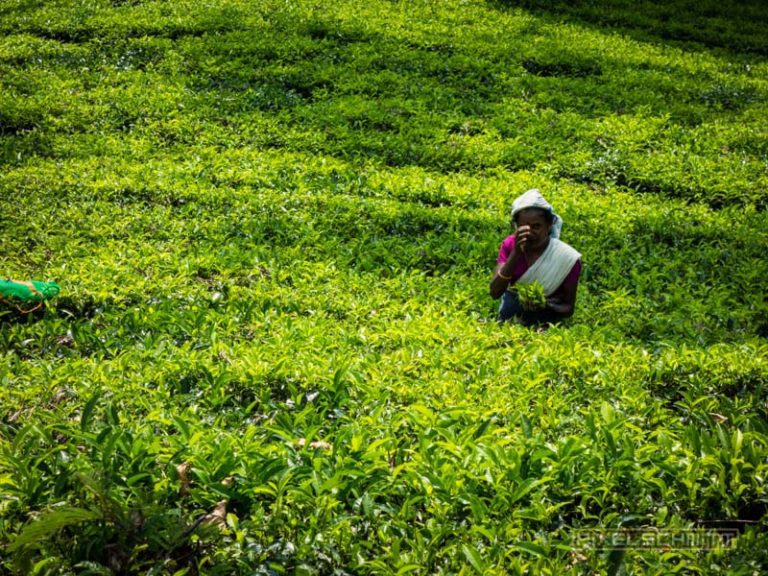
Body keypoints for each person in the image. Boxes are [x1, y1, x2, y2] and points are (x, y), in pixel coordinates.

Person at [490, 189, 581, 326]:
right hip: (508, 323)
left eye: (536, 226)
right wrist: (515, 254)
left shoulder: (567, 257)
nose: (530, 232)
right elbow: (495, 292)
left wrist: (543, 304)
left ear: (549, 225)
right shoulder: (509, 244)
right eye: (523, 226)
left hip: (546, 327)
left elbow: (568, 308)